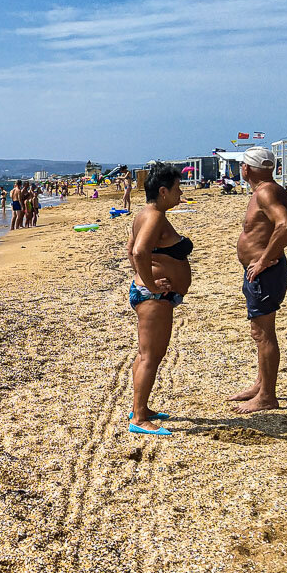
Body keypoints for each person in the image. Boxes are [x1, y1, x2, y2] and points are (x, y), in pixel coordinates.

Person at [228, 147, 287, 414]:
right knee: (258, 332)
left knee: (263, 334)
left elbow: (286, 224)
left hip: (263, 272)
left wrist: (264, 258)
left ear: (246, 168)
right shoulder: (271, 189)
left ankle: (267, 396)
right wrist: (274, 251)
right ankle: (261, 386)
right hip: (264, 270)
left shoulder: (265, 192)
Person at [127, 167, 191, 436]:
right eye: (177, 188)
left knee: (147, 354)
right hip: (154, 296)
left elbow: (131, 249)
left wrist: (144, 277)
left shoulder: (146, 215)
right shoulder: (153, 216)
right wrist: (151, 284)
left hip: (153, 294)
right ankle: (140, 418)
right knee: (150, 356)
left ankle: (140, 408)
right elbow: (139, 252)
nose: (181, 193)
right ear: (163, 191)